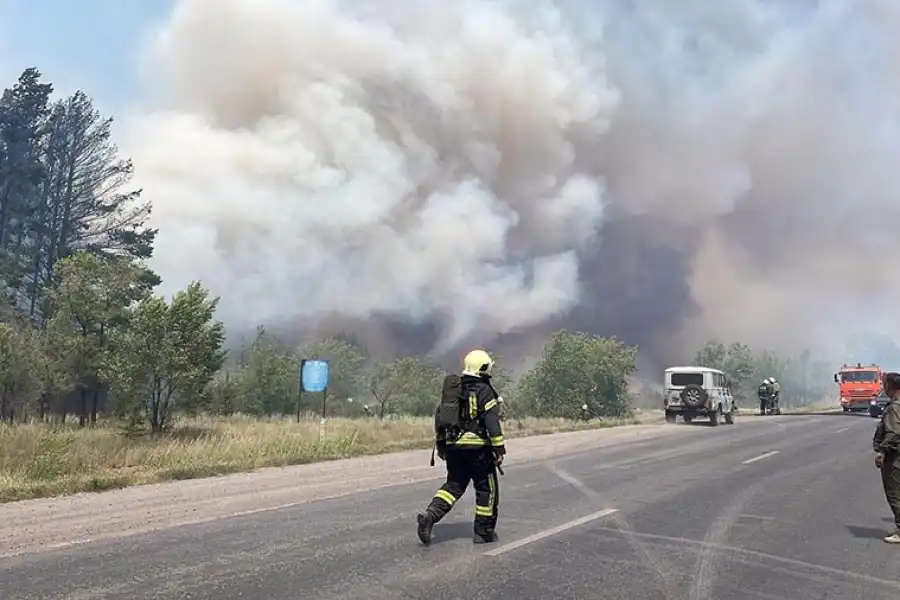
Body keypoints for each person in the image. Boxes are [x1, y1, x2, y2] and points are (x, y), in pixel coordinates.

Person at [416, 349, 506, 546]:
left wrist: (441, 445)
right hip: (478, 451)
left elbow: (440, 417)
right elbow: (491, 422)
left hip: (454, 448)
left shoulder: (453, 390)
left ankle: (430, 516)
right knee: (486, 489)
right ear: (484, 367)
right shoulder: (484, 390)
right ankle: (483, 532)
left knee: (453, 485)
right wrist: (499, 449)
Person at [873, 371, 900, 544]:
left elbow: (894, 432)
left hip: (895, 457)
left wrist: (882, 452)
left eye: (884, 384)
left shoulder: (894, 408)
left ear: (890, 386)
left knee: (895, 493)